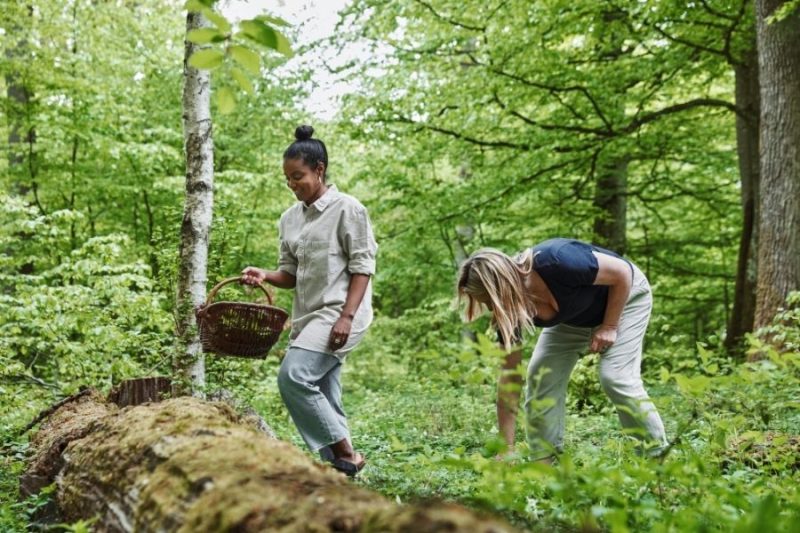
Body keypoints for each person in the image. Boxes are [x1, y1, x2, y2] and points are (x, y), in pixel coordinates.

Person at [241, 125, 377, 477]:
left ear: (319, 170)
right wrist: (265, 275)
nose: (292, 184)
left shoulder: (348, 209)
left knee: (295, 376)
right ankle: (343, 473)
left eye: (297, 176)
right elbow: (290, 274)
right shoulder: (288, 220)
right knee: (325, 392)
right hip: (308, 317)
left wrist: (346, 317)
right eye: (287, 178)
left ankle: (348, 453)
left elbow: (363, 268)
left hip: (343, 312)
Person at [456, 238, 667, 461]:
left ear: (501, 287)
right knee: (541, 375)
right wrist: (505, 448)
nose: (491, 308)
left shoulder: (556, 260)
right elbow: (510, 379)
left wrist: (609, 326)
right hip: (575, 317)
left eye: (490, 301)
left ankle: (656, 459)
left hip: (626, 297)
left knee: (614, 376)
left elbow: (622, 273)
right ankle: (545, 463)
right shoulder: (510, 310)